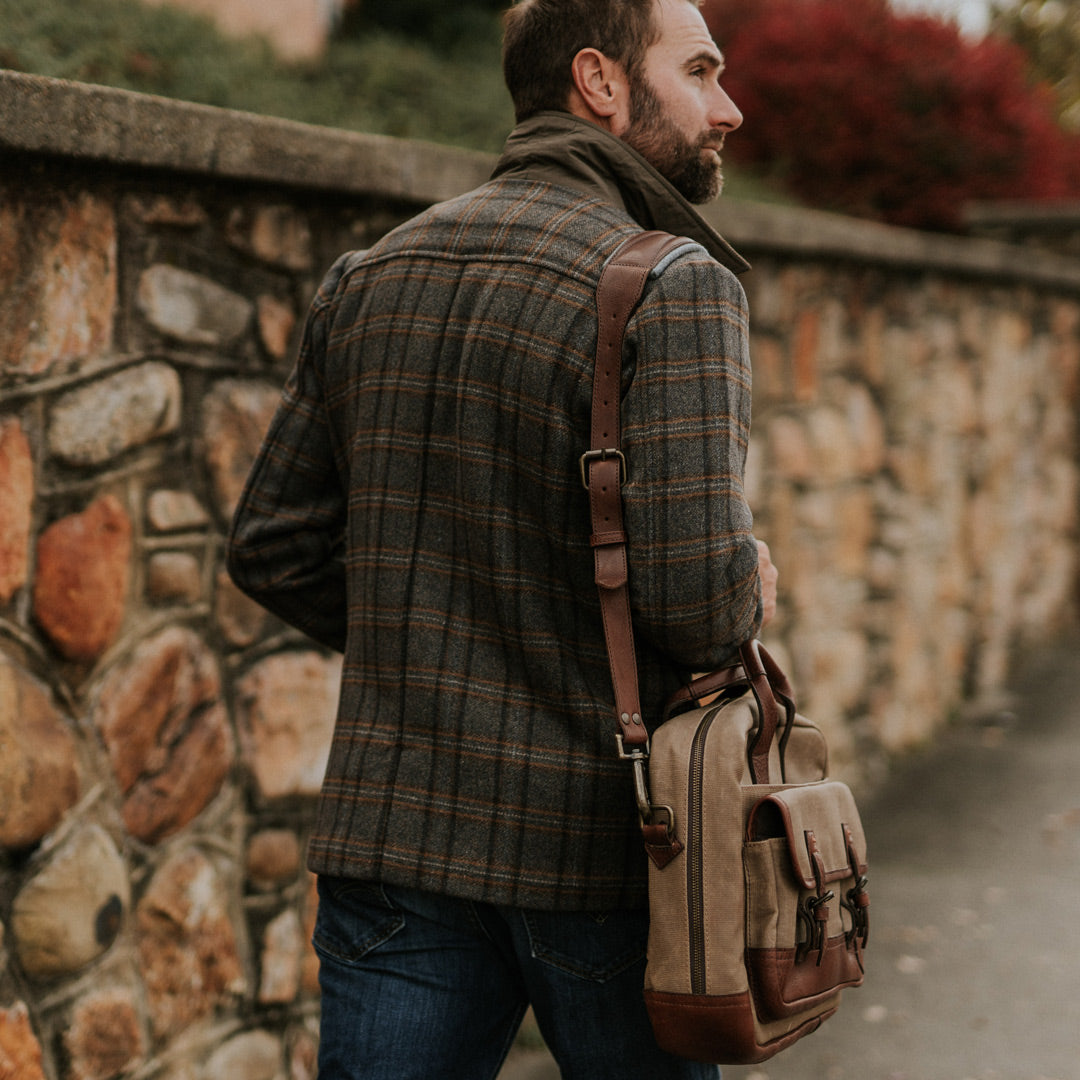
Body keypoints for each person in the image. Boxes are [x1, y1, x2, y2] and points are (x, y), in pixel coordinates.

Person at [226, 0, 778, 1075]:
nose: (731, 107)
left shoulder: (368, 274)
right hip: (611, 851)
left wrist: (428, 641)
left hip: (395, 846)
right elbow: (697, 606)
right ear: (601, 82)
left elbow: (273, 548)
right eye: (701, 71)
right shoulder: (674, 284)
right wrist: (747, 580)